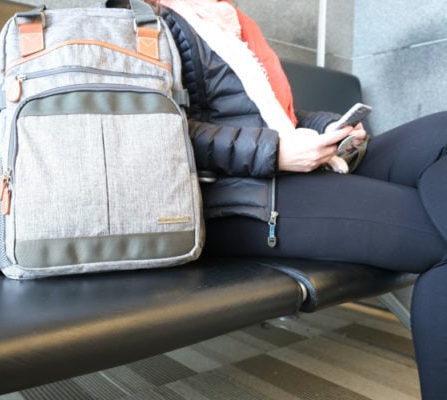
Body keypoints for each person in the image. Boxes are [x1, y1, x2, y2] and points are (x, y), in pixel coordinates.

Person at [143, 0, 447, 398]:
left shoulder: (228, 20)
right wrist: (275, 150)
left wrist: (331, 127)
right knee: (438, 242)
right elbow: (158, 131)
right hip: (230, 195)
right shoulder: (144, 22)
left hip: (282, 170)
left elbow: (278, 117)